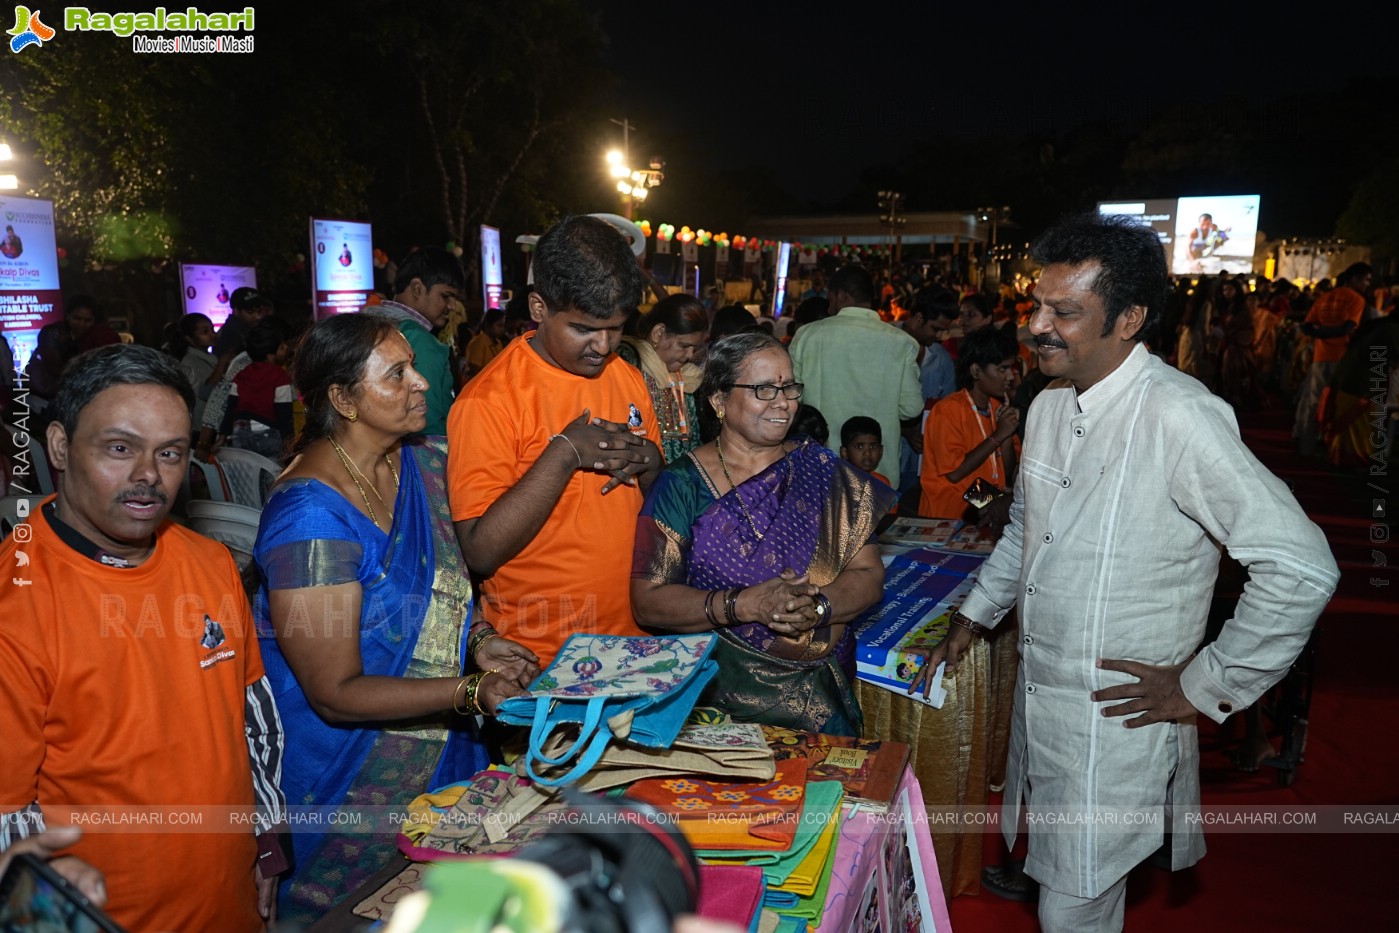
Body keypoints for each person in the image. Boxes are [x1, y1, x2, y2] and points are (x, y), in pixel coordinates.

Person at [918, 214, 1338, 933]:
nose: (1035, 328)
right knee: (1065, 885)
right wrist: (974, 614)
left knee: (1071, 905)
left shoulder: (1182, 416)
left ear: (1129, 318)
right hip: (1045, 699)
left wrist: (1206, 683)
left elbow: (1300, 566)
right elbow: (1028, 526)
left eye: (1064, 312)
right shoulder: (1047, 406)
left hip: (1121, 717)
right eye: (1035, 306)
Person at [253, 313, 538, 923]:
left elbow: (442, 594)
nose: (423, 384)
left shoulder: (424, 466)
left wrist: (479, 640)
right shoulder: (310, 518)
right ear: (342, 399)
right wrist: (470, 691)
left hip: (447, 755)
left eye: (414, 366)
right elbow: (334, 693)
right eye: (397, 374)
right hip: (345, 771)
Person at [0, 344, 288, 932]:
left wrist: (267, 845)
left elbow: (250, 718)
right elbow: (8, 817)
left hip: (231, 906)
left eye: (170, 453)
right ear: (59, 447)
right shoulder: (17, 604)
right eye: (120, 448)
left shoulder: (210, 563)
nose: (148, 477)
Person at [631, 333, 896, 736]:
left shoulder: (823, 471)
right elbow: (648, 601)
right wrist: (745, 605)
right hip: (716, 699)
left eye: (789, 386)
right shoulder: (682, 485)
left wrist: (819, 607)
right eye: (763, 389)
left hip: (819, 694)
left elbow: (868, 574)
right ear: (719, 401)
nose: (783, 401)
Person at [450, 215, 663, 666]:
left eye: (617, 328)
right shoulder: (490, 400)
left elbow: (658, 511)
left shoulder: (627, 377)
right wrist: (564, 454)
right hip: (540, 656)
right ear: (539, 307)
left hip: (637, 642)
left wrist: (652, 466)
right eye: (584, 329)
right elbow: (480, 550)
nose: (603, 346)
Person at [788, 264, 923, 486]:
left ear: (841, 295)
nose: (829, 307)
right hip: (878, 471)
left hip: (821, 466)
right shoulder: (901, 342)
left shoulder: (808, 336)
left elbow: (793, 398)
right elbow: (911, 408)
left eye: (830, 298)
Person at [918, 325, 1021, 519]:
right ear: (975, 371)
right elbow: (955, 474)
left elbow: (1006, 472)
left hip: (983, 513)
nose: (1010, 376)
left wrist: (1006, 434)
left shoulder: (996, 408)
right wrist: (998, 435)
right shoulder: (947, 411)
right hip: (948, 516)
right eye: (1002, 369)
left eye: (1011, 368)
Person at [366, 247, 464, 435]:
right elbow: (428, 422)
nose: (452, 306)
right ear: (418, 288)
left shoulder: (365, 326)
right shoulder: (420, 341)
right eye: (446, 296)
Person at [617, 294, 707, 462]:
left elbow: (694, 441)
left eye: (695, 348)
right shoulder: (628, 362)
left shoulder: (688, 377)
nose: (690, 355)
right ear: (658, 333)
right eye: (684, 346)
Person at [1295, 262, 1371, 455]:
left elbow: (1307, 326)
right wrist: (1334, 333)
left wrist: (1321, 334)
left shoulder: (1324, 298)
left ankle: (1306, 444)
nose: (1367, 285)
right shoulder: (1356, 299)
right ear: (1354, 279)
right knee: (1336, 403)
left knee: (1313, 400)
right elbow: (1348, 328)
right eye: (1366, 280)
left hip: (1320, 357)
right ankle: (1330, 445)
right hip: (1343, 359)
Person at [219, 319, 295, 458]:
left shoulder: (242, 374)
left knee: (248, 475)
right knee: (271, 474)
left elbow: (231, 407)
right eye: (282, 348)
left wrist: (223, 434)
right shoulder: (279, 376)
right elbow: (284, 412)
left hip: (239, 431)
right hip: (267, 432)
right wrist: (289, 443)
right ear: (270, 355)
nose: (286, 350)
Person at [162, 311, 218, 426]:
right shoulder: (191, 362)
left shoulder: (209, 357)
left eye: (212, 329)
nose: (212, 334)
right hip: (202, 425)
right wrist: (222, 365)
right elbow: (206, 393)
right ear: (189, 338)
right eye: (205, 332)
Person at [463, 307, 506, 382]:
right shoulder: (479, 342)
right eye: (499, 325)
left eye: (503, 326)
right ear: (487, 325)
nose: (502, 329)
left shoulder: (498, 342)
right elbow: (474, 371)